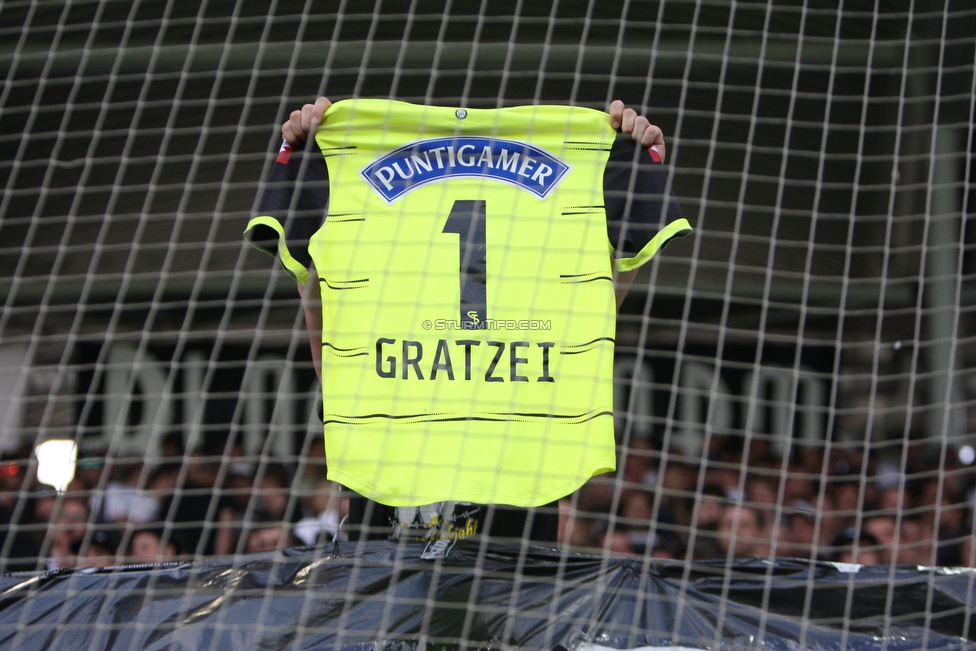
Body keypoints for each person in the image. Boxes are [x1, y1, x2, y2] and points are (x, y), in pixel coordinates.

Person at [246, 97, 689, 549]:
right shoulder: (340, 155)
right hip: (479, 481)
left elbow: (586, 317)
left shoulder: (347, 164)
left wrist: (629, 168)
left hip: (486, 483)